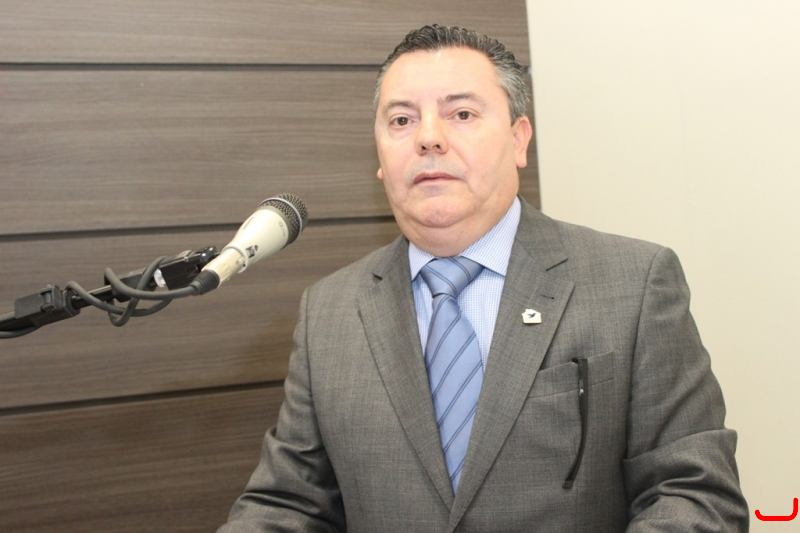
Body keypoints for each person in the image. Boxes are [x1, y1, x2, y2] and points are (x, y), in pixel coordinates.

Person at [218, 25, 748, 532]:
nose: (428, 138)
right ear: (379, 156)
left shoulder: (633, 284)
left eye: (462, 113)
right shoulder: (329, 311)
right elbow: (289, 504)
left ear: (518, 140)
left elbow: (694, 492)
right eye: (401, 120)